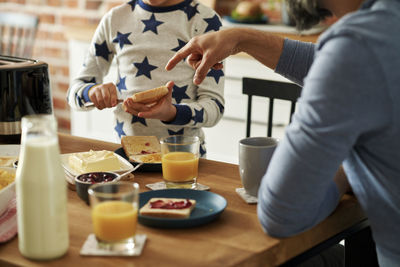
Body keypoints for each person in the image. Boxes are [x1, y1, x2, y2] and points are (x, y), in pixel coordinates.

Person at [165, 0, 400, 266]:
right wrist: (240, 38)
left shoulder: (357, 47)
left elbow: (283, 214)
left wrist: (346, 163)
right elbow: (343, 66)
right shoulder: (379, 32)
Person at [67, 0, 225, 156]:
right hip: (127, 158)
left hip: (184, 159)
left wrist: (172, 113)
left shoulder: (206, 20)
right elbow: (74, 93)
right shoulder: (114, 19)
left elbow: (215, 107)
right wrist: (91, 92)